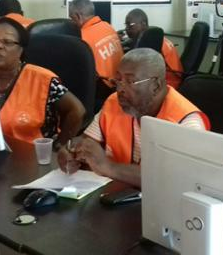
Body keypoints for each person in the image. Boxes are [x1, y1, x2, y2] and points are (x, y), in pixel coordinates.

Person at [57, 48, 210, 188]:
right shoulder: (114, 103)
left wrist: (109, 167)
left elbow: (178, 179)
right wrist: (72, 150)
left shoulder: (187, 123)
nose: (120, 89)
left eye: (130, 81)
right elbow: (87, 142)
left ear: (156, 85)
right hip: (114, 195)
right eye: (118, 80)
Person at [0, 17, 85, 144]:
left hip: (33, 151)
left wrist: (59, 146)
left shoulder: (43, 80)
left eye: (7, 42)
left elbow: (77, 111)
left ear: (21, 49)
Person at [123, 8, 183, 89]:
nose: (126, 28)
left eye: (130, 25)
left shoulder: (150, 42)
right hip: (171, 77)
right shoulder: (155, 36)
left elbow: (138, 69)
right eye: (126, 25)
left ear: (143, 24)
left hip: (169, 82)